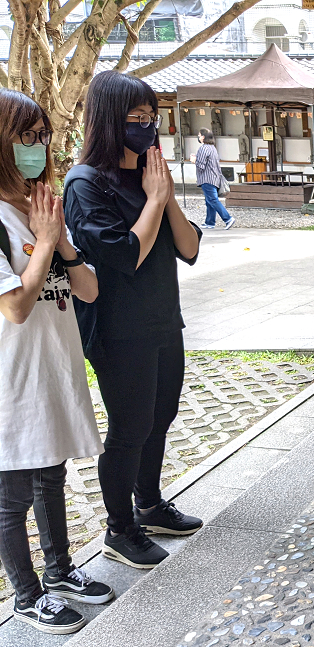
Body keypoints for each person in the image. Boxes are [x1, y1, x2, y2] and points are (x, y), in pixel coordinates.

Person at [64, 71, 204, 570]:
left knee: (160, 416)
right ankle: (119, 528)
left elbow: (188, 248)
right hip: (119, 329)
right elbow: (126, 256)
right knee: (130, 427)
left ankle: (149, 504)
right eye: (135, 118)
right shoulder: (85, 184)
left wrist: (162, 197)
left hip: (163, 319)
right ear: (107, 121)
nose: (146, 127)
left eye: (151, 118)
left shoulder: (152, 177)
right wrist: (153, 201)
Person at [0, 90, 114, 634]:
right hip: (13, 377)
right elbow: (17, 307)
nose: (37, 147)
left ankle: (60, 572)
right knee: (12, 495)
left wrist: (60, 241)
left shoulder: (40, 206)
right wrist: (44, 242)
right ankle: (26, 596)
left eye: (42, 135)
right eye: (25, 136)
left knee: (51, 477)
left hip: (53, 366)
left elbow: (89, 290)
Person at [193, 128, 234, 230]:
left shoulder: (203, 148)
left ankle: (228, 218)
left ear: (203, 137)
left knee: (212, 200)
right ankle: (210, 222)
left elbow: (201, 166)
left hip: (207, 179)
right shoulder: (213, 148)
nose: (198, 137)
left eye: (199, 135)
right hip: (215, 178)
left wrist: (194, 160)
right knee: (209, 200)